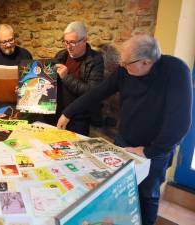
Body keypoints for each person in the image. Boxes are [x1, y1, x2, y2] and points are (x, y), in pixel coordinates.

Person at [57, 35, 193, 225]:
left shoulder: (176, 71)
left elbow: (179, 124)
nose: (121, 65)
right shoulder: (126, 69)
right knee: (117, 190)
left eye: (126, 62)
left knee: (147, 196)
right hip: (124, 141)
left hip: (155, 150)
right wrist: (68, 113)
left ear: (146, 62)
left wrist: (148, 151)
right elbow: (98, 92)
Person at [45, 21, 104, 135]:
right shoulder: (61, 55)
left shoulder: (95, 59)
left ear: (84, 40)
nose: (68, 46)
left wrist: (66, 77)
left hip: (78, 118)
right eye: (66, 42)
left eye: (72, 42)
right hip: (55, 113)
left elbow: (92, 92)